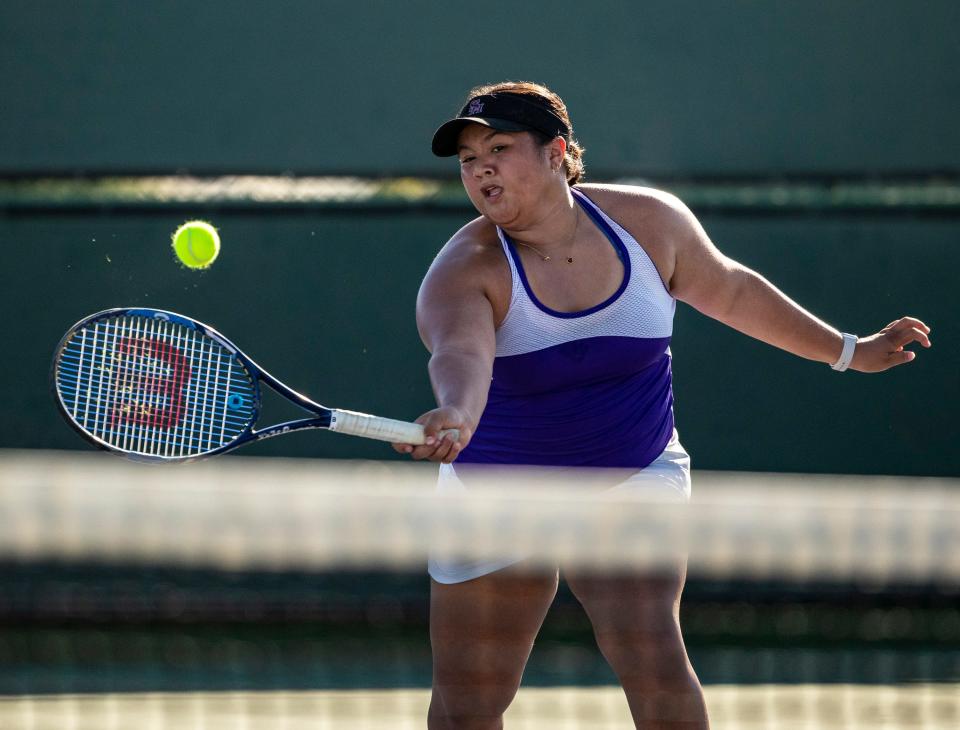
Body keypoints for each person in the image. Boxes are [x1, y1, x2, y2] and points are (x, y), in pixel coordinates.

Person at [393, 81, 931, 729]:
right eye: (467, 158)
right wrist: (454, 411)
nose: (479, 167)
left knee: (650, 648)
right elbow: (461, 355)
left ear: (557, 152)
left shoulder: (649, 225)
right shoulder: (461, 271)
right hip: (497, 490)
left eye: (500, 148)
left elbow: (731, 290)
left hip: (631, 473)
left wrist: (850, 350)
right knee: (468, 705)